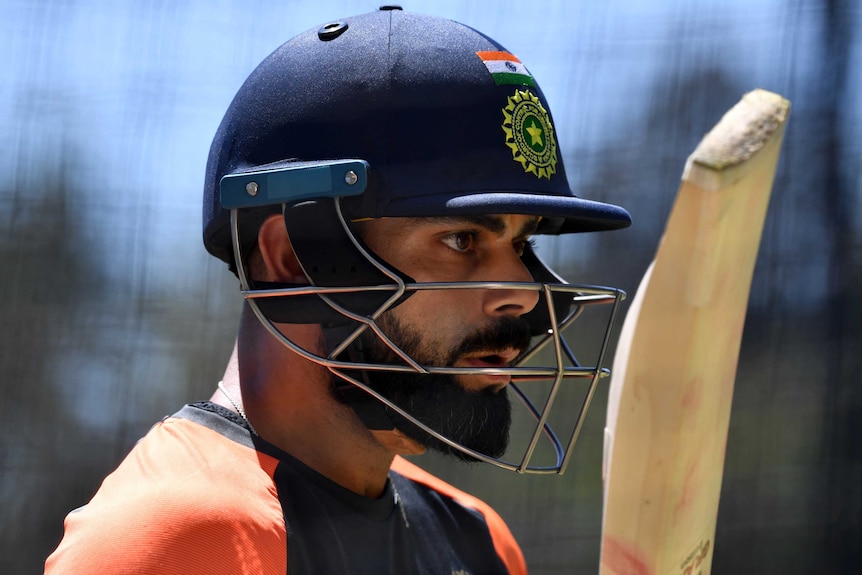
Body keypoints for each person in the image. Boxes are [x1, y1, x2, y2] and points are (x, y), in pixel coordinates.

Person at [45, 7, 630, 574]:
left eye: (524, 246)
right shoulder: (180, 540)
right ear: (294, 256)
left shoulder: (479, 540)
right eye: (460, 240)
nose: (524, 295)